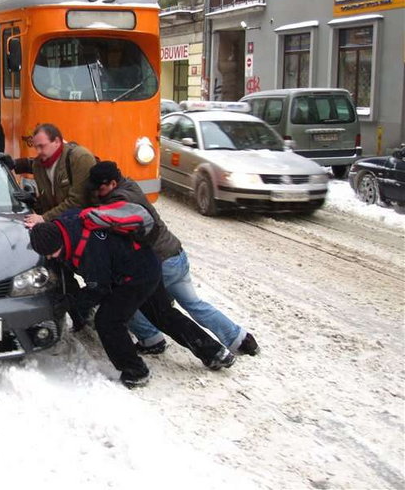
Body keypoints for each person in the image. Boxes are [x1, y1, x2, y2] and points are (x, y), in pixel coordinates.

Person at [29, 210, 235, 388]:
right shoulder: (64, 223)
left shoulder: (89, 250)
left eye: (52, 253)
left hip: (135, 276)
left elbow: (100, 289)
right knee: (163, 314)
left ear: (57, 243)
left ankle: (136, 372)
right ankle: (214, 352)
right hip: (145, 262)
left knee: (108, 321)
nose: (51, 258)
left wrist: (71, 303)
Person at [87, 161, 260, 357]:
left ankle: (151, 338)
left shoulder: (120, 200)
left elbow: (102, 219)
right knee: (194, 304)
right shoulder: (130, 185)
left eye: (100, 188)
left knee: (130, 301)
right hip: (176, 254)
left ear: (111, 183)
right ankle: (240, 338)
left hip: (161, 262)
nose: (97, 194)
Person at [14, 123, 97, 330]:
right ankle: (81, 315)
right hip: (61, 228)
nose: (38, 152)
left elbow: (78, 201)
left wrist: (44, 217)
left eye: (42, 146)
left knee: (97, 278)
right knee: (63, 275)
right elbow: (46, 197)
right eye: (36, 147)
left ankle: (130, 325)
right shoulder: (40, 165)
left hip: (86, 230)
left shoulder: (79, 158)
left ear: (58, 141)